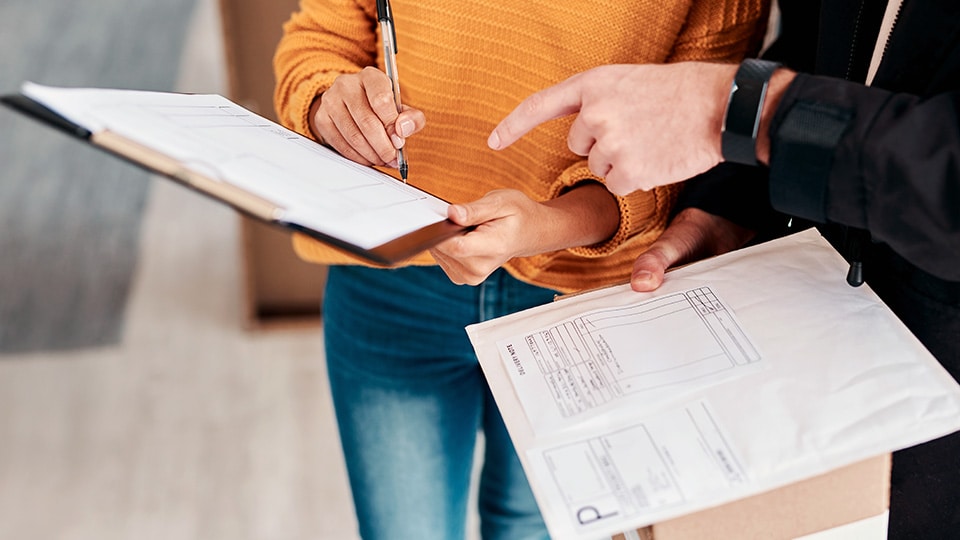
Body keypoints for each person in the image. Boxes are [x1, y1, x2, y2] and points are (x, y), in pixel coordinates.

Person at [273, 0, 769, 537]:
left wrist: (545, 225)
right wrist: (330, 103)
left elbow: (682, 152)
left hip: (583, 309)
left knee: (530, 526)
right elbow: (318, 41)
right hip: (391, 276)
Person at [488, 0, 960, 537]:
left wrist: (742, 110)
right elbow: (819, 52)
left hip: (938, 420)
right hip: (801, 356)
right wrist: (724, 207)